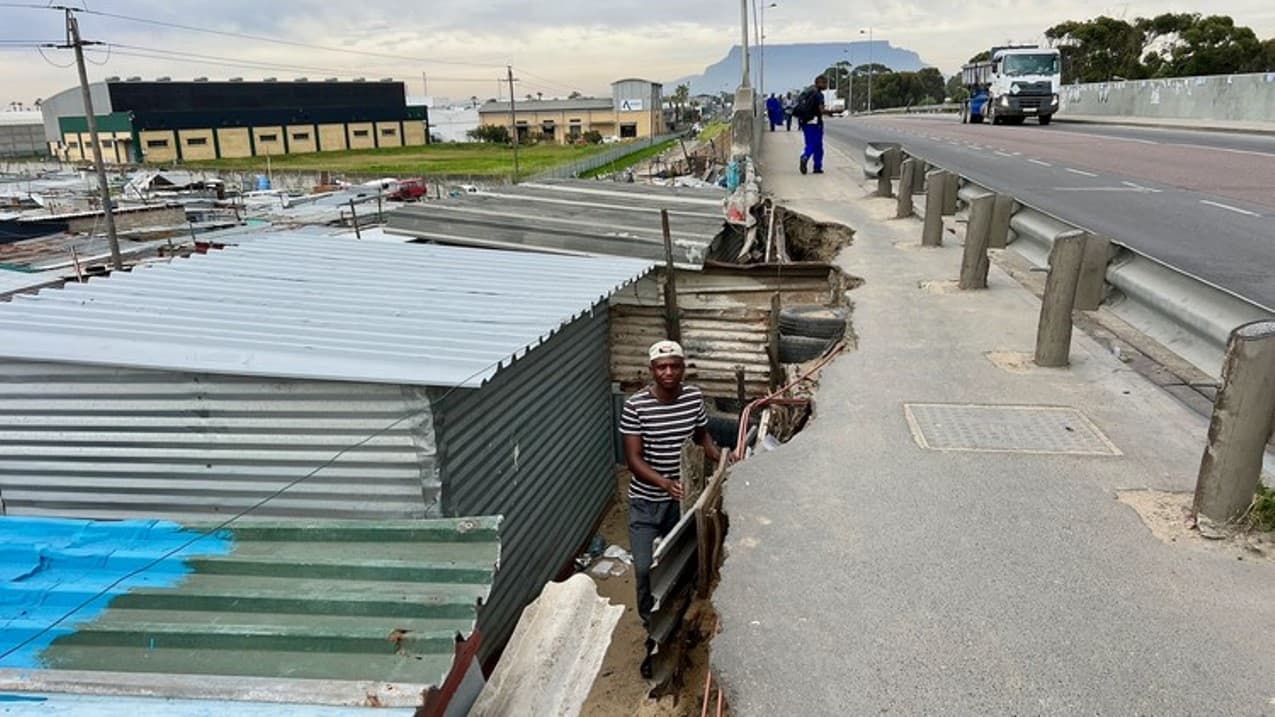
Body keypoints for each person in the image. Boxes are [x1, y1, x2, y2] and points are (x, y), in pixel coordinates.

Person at [620, 339, 725, 678]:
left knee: (680, 568)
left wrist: (721, 456)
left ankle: (677, 632)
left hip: (683, 502)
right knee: (643, 570)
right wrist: (664, 483)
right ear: (652, 371)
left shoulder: (693, 397)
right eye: (661, 367)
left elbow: (701, 437)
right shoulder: (635, 406)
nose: (668, 372)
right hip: (647, 503)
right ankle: (652, 637)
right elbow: (633, 460)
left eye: (674, 365)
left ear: (683, 368)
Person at [794, 75, 829, 175]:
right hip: (816, 122)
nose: (826, 85)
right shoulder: (819, 95)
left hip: (805, 122)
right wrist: (831, 112)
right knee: (817, 145)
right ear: (818, 83)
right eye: (825, 83)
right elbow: (821, 110)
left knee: (810, 143)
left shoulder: (807, 93)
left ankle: (807, 158)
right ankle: (812, 162)